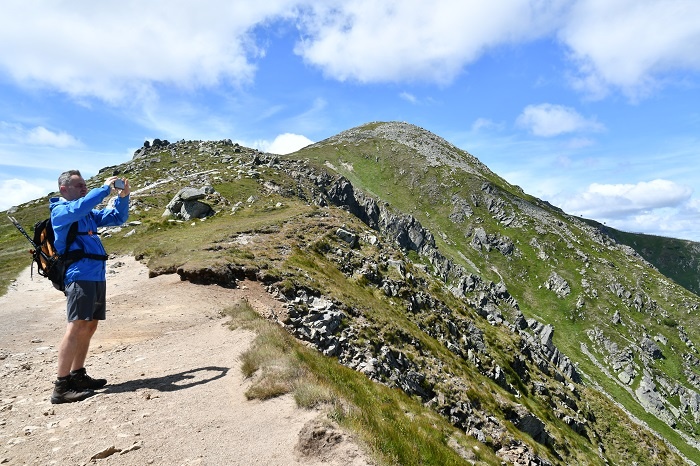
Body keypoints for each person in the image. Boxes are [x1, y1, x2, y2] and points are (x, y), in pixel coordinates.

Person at [49, 170, 131, 404]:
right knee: (76, 326)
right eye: (78, 186)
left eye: (85, 185)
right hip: (79, 275)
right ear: (64, 189)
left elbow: (116, 218)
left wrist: (123, 197)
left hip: (95, 275)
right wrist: (105, 189)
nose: (84, 188)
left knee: (90, 325)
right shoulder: (61, 211)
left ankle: (78, 375)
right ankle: (61, 386)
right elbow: (78, 208)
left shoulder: (87, 215)